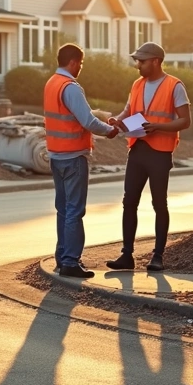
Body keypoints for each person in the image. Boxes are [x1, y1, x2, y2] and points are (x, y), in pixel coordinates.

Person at [106, 42, 192, 272]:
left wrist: (158, 127)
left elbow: (185, 120)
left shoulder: (175, 86)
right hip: (138, 149)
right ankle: (127, 256)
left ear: (155, 61)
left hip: (160, 153)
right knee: (129, 202)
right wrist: (117, 120)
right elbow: (128, 111)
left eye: (142, 61)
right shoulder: (137, 84)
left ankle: (158, 256)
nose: (138, 65)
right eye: (137, 61)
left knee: (158, 204)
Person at [45, 43, 119, 279]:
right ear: (74, 62)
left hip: (56, 156)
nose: (81, 68)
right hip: (74, 157)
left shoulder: (51, 84)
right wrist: (109, 131)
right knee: (75, 211)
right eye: (81, 64)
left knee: (63, 209)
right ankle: (70, 261)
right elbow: (88, 121)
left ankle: (62, 256)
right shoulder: (71, 87)